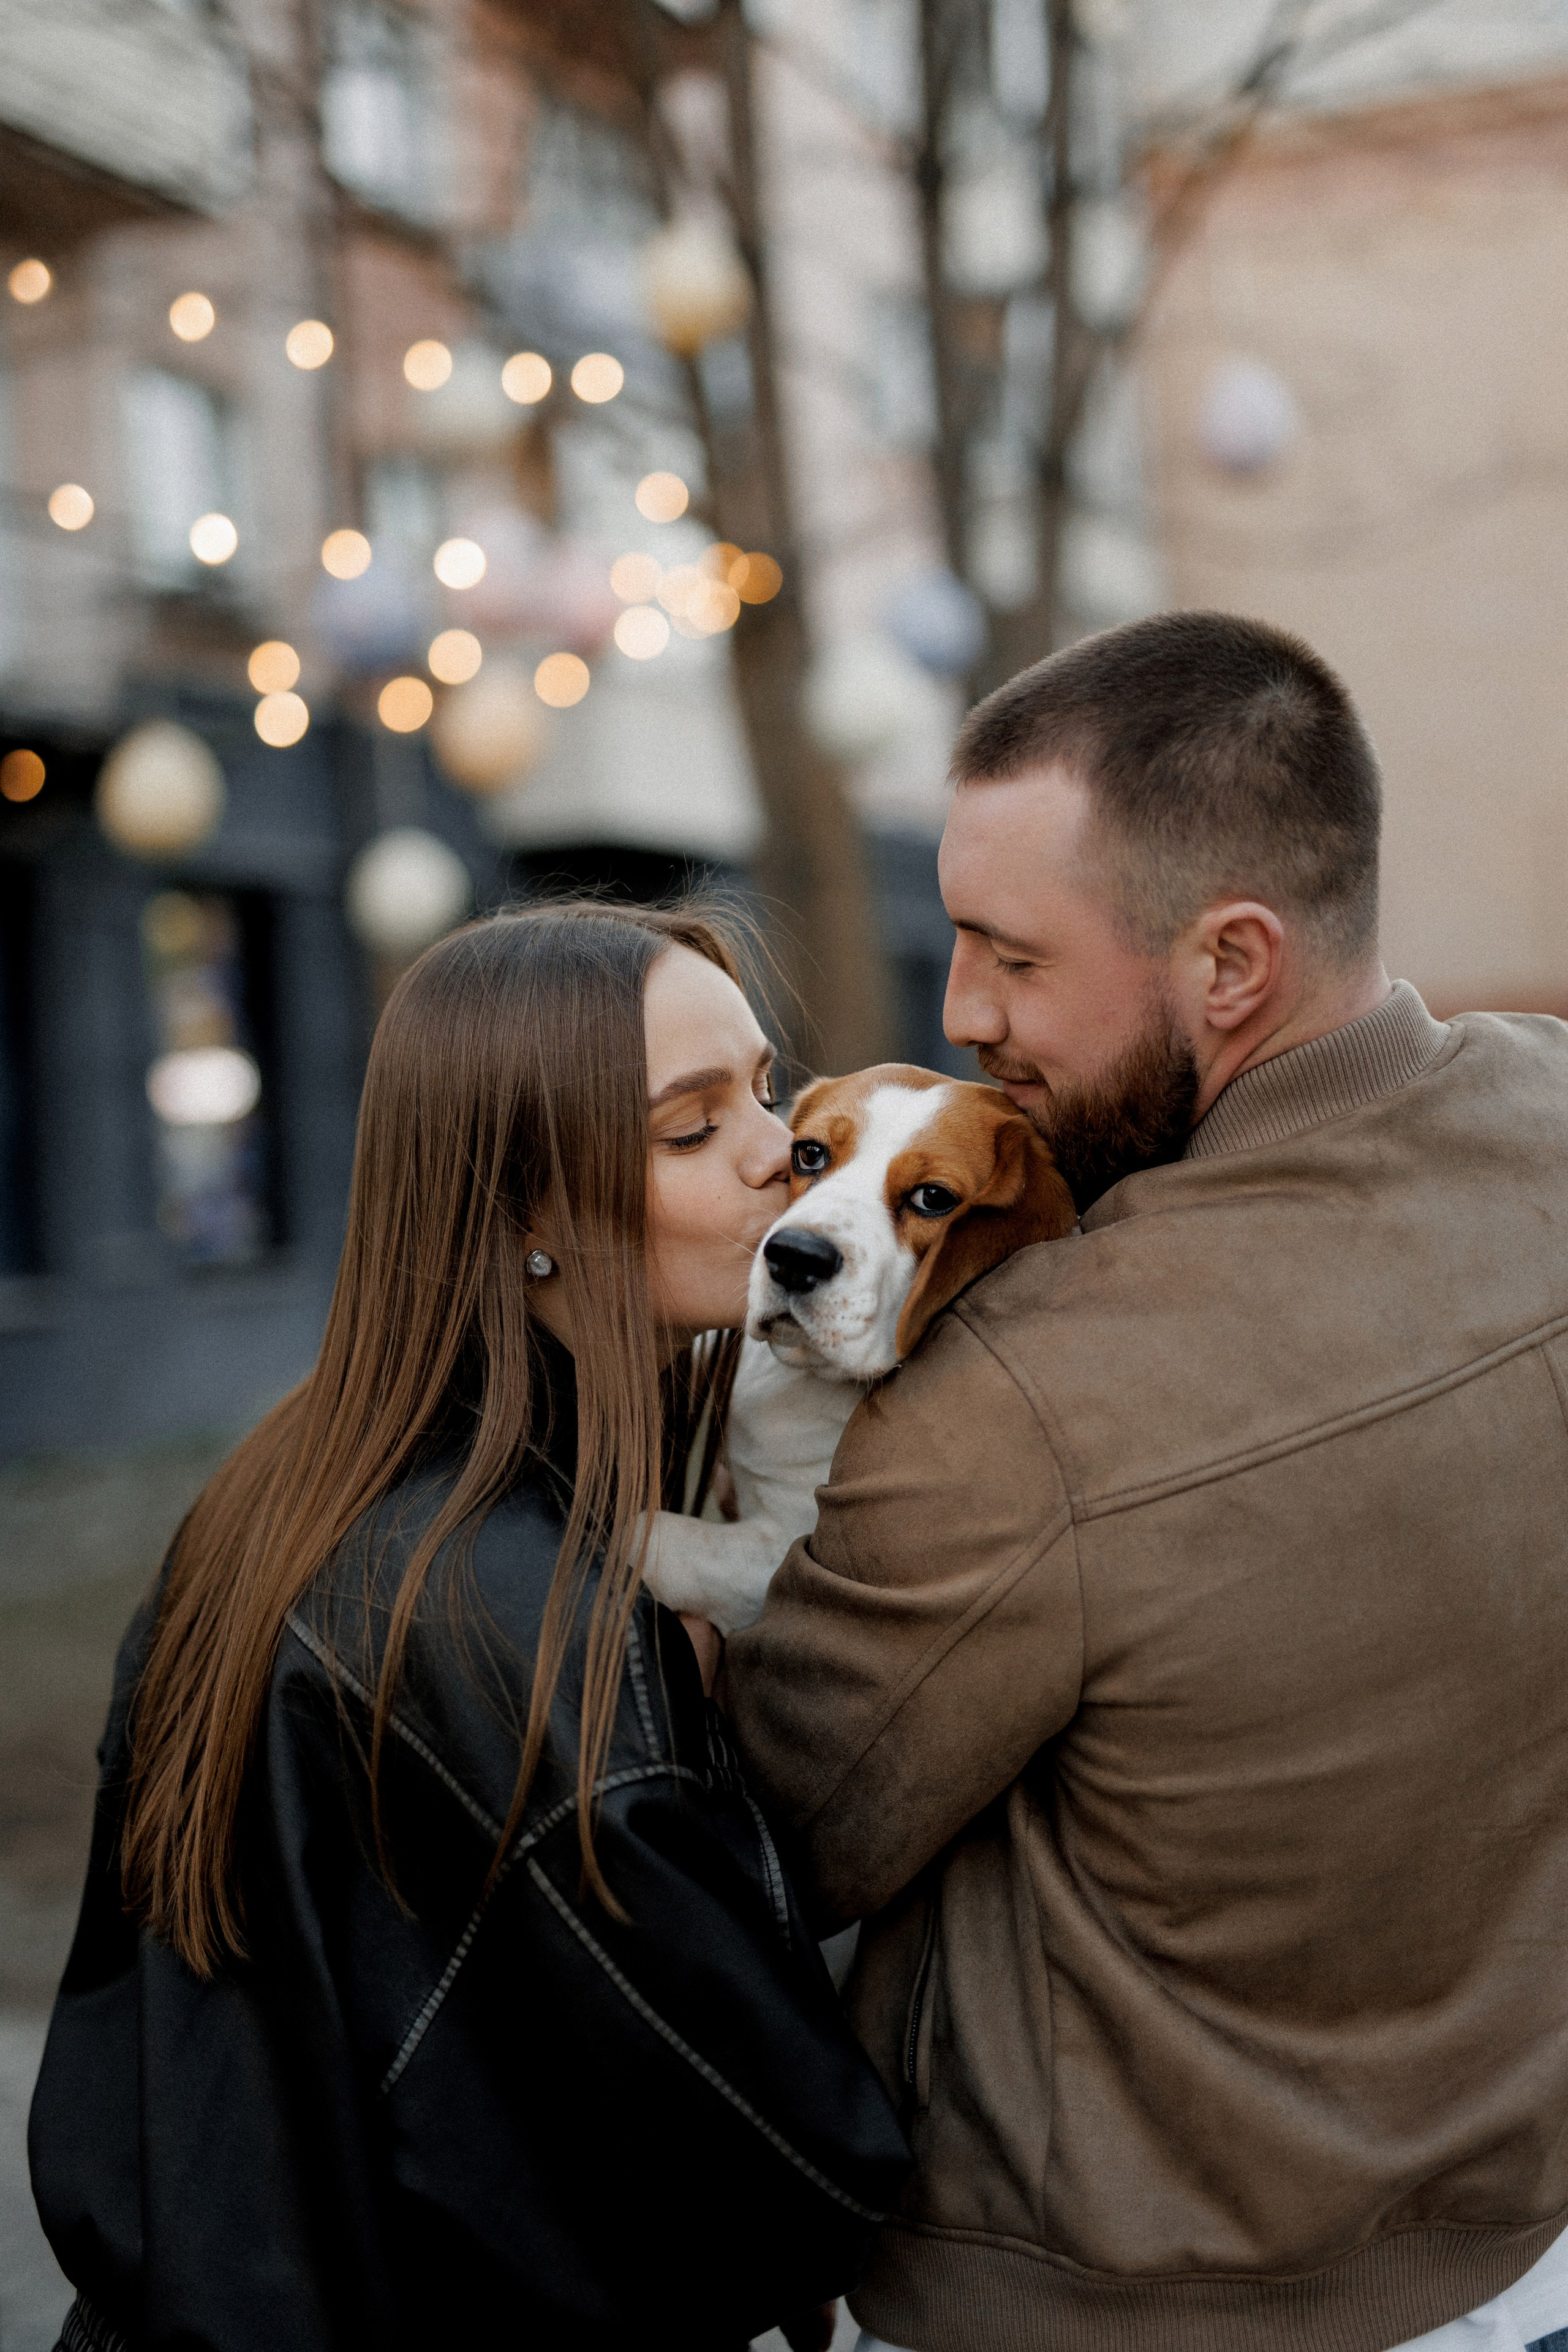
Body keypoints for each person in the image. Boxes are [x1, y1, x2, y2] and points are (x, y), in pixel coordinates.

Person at [725, 612, 1568, 2352]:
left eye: (1010, 957)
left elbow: (763, 1838)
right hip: (1530, 2242)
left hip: (1122, 2297)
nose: (963, 1016)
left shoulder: (1028, 1394)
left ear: (1231, 966)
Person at [29, 901, 908, 2352]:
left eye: (762, 1090)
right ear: (518, 1215)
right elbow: (786, 2166)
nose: (779, 1152)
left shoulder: (292, 1484)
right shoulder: (517, 1612)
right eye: (688, 1131)